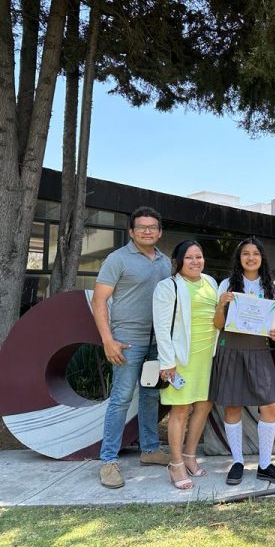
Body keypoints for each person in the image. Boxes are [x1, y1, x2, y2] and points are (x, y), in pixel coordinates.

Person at [92, 206, 171, 489]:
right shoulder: (117, 259)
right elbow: (99, 301)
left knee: (150, 396)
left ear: (159, 232)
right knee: (122, 398)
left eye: (152, 227)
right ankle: (109, 461)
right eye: (141, 227)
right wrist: (107, 340)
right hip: (127, 340)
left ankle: (150, 450)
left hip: (156, 342)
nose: (147, 231)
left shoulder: (164, 261)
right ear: (131, 231)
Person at [211, 237, 275, 485]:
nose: (251, 257)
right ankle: (237, 462)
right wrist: (221, 304)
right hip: (231, 349)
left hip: (259, 351)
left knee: (269, 405)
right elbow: (217, 325)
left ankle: (265, 464)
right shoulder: (227, 284)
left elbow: (273, 325)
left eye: (256, 253)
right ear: (239, 258)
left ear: (262, 258)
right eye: (246, 253)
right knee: (232, 406)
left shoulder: (272, 286)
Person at [153, 240, 218, 490]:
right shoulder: (168, 287)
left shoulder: (211, 282)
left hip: (207, 357)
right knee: (180, 411)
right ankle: (176, 463)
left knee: (203, 406)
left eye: (199, 257)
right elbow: (161, 328)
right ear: (178, 261)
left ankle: (190, 455)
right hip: (181, 359)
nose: (195, 262)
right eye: (189, 258)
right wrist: (167, 362)